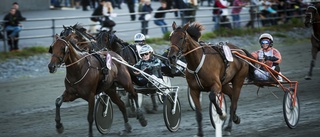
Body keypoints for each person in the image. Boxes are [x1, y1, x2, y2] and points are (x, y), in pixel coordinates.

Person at [133, 44, 162, 113]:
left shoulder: (156, 60)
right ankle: (135, 108)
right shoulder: (141, 62)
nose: (144, 56)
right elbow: (134, 67)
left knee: (150, 78)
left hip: (156, 80)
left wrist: (149, 67)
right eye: (142, 55)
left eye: (146, 54)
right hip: (145, 81)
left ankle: (155, 106)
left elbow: (158, 65)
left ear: (150, 53)